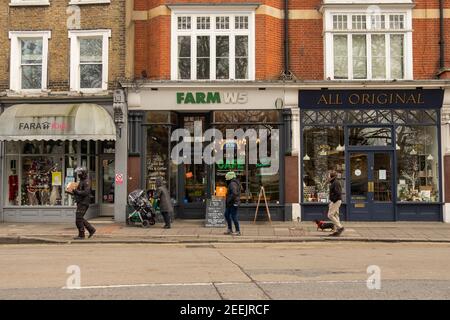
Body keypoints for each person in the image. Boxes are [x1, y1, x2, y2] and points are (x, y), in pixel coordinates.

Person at [72, 167, 96, 240]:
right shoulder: (82, 181)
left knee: (78, 219)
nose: (78, 175)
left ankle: (81, 235)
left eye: (80, 173)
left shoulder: (86, 181)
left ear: (83, 174)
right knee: (80, 218)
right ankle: (91, 229)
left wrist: (77, 192)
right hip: (81, 202)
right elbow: (80, 191)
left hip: (84, 202)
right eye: (78, 173)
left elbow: (86, 192)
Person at [224, 171, 241, 236]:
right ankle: (230, 229)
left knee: (234, 216)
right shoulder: (234, 183)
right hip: (231, 203)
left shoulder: (232, 184)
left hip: (233, 202)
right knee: (226, 214)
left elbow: (234, 193)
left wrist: (229, 199)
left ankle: (238, 231)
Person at [328, 170, 344, 236]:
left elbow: (338, 193)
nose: (328, 176)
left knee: (330, 215)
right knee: (335, 215)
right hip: (335, 201)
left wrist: (333, 200)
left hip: (336, 201)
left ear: (331, 176)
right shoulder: (334, 182)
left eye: (328, 175)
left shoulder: (336, 183)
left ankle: (340, 227)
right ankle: (337, 231)